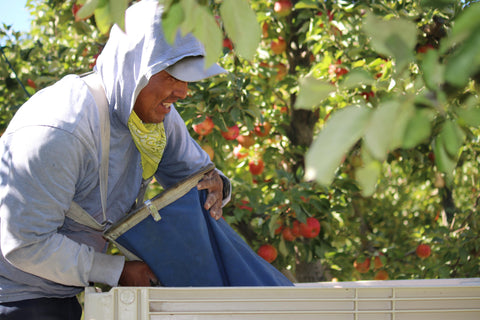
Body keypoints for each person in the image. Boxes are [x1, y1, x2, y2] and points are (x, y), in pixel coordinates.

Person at [0, 0, 231, 318]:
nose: (183, 92)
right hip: (15, 295)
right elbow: (24, 244)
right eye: (171, 74)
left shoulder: (152, 111)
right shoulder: (62, 129)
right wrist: (117, 270)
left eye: (188, 77)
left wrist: (216, 185)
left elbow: (196, 175)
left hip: (68, 290)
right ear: (134, 67)